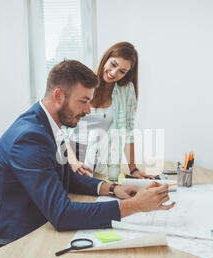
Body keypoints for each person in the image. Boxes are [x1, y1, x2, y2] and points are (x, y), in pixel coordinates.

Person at [0, 60, 175, 240]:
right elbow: (62, 215)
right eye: (83, 101)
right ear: (59, 96)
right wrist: (135, 206)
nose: (88, 110)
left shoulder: (49, 125)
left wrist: (112, 188)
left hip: (42, 225)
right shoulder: (29, 139)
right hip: (20, 240)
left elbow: (65, 176)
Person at [63, 42, 154, 179]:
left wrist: (133, 169)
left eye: (122, 71)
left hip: (96, 160)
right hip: (68, 153)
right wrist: (73, 160)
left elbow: (127, 130)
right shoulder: (83, 84)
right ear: (106, 59)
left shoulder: (126, 91)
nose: (113, 73)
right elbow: (61, 127)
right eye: (113, 64)